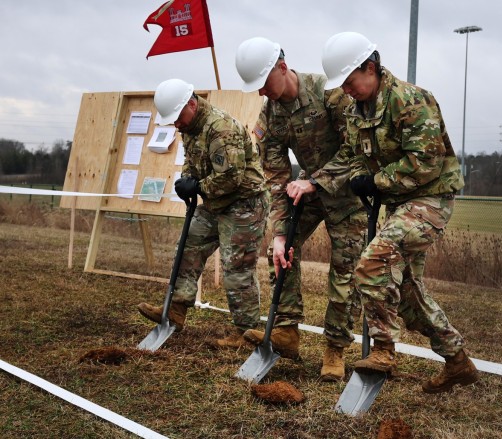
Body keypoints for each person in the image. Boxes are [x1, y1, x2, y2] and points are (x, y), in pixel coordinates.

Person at [320, 32, 479, 393]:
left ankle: (383, 352)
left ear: (371, 68)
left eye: (349, 81)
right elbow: (351, 155)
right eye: (342, 84)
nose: (346, 90)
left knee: (371, 265)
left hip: (431, 197)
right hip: (399, 201)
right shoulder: (356, 110)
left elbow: (425, 162)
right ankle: (457, 361)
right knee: (405, 290)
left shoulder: (410, 100)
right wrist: (317, 182)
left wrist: (375, 180)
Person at [234, 37, 368, 381]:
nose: (262, 93)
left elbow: (357, 148)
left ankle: (335, 349)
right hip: (308, 190)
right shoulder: (270, 118)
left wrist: (316, 180)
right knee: (280, 250)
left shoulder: (329, 93)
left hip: (348, 192)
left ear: (282, 68)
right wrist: (280, 234)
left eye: (264, 84)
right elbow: (276, 181)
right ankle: (287, 331)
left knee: (345, 269)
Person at [137, 78, 269, 349]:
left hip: (244, 203)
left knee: (236, 267)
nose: (175, 124)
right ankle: (176, 310)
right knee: (188, 246)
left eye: (176, 116)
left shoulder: (221, 128)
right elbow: (191, 160)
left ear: (192, 104)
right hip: (214, 201)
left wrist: (199, 186)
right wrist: (186, 179)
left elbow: (231, 177)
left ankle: (246, 332)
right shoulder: (189, 125)